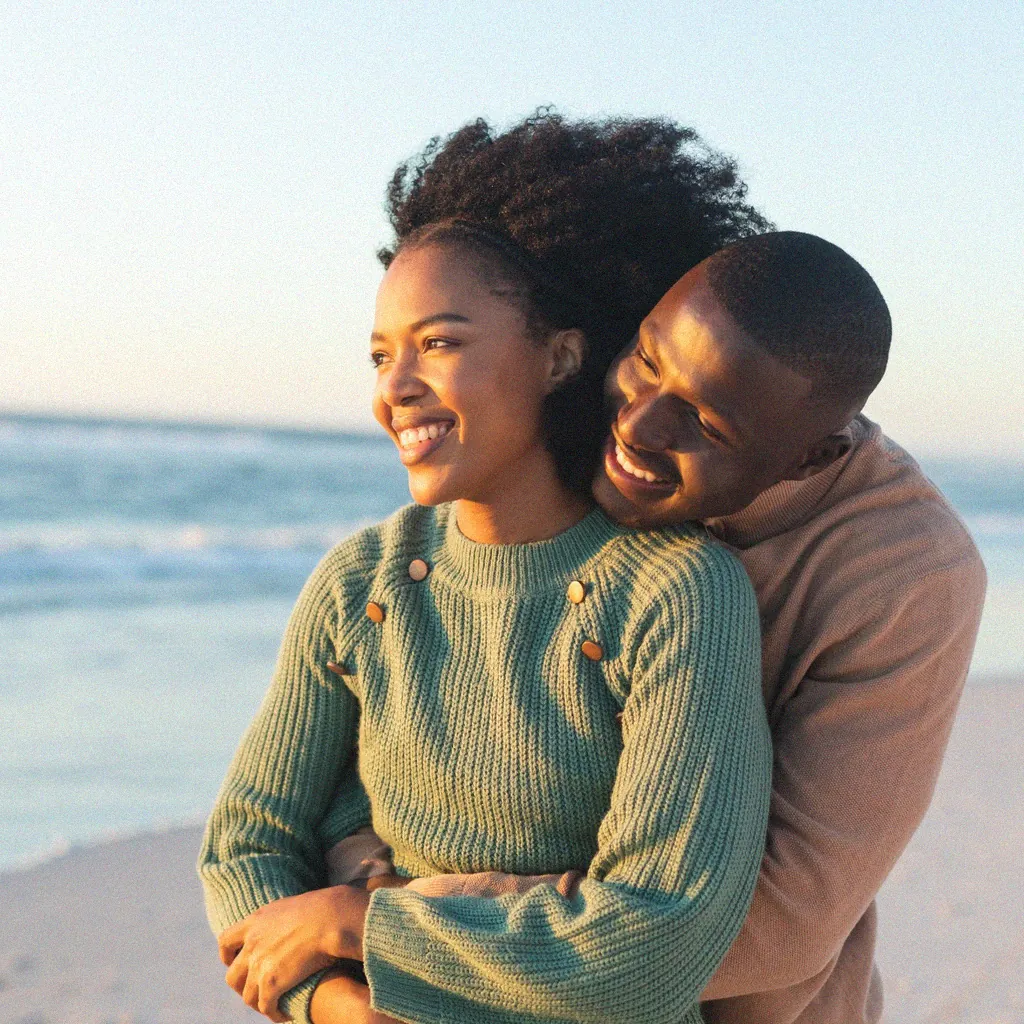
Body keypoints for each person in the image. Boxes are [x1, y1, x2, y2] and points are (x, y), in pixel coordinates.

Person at [198, 113, 775, 1024]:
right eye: (382, 355)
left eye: (440, 343)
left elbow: (657, 944)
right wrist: (338, 1007)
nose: (395, 387)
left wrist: (363, 922)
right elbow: (245, 844)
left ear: (560, 356)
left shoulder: (674, 593)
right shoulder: (362, 585)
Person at [327, 230, 985, 1023]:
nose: (639, 426)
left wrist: (396, 929)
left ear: (813, 458)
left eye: (706, 422)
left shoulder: (906, 576)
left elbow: (785, 920)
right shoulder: (580, 446)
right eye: (643, 359)